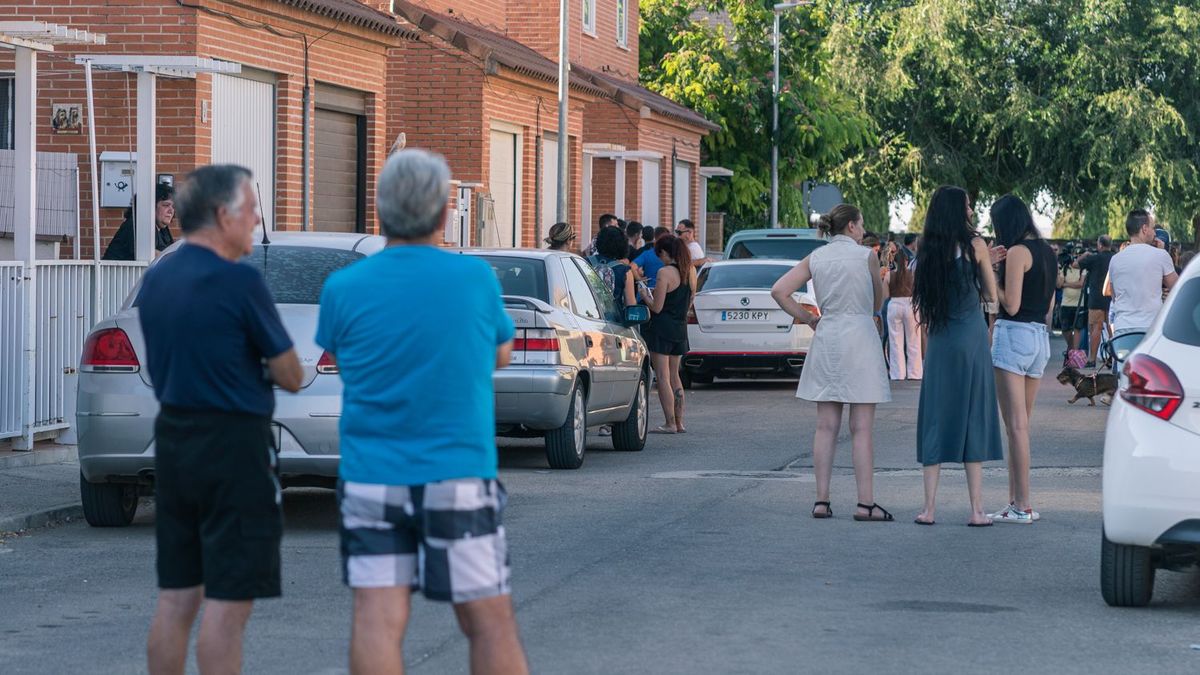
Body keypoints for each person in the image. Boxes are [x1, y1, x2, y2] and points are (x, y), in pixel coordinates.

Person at [315, 149, 528, 674]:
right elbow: (500, 351)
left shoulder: (343, 287)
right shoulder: (474, 280)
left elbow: (341, 358)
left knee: (376, 617)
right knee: (488, 621)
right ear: (441, 216)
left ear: (382, 214)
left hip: (372, 474)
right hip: (456, 470)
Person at [138, 165, 304, 675]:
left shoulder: (159, 275)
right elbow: (291, 373)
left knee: (177, 597)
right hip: (234, 445)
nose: (256, 220)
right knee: (229, 605)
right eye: (250, 209)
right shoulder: (239, 281)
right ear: (219, 214)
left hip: (174, 440)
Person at [771, 204, 893, 522]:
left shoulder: (817, 257)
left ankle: (821, 501)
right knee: (861, 427)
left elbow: (779, 291)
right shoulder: (866, 256)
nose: (864, 230)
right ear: (851, 226)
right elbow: (878, 302)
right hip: (860, 338)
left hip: (828, 337)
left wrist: (808, 319)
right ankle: (865, 504)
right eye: (862, 224)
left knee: (825, 426)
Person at [912, 186, 1004, 527]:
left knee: (936, 414)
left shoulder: (928, 248)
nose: (970, 209)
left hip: (940, 338)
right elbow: (991, 296)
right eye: (967, 205)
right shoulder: (976, 245)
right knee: (973, 415)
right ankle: (977, 510)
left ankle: (929, 509)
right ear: (957, 209)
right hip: (971, 336)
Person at [988, 195, 1057, 525]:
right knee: (1021, 426)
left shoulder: (1017, 252)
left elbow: (1009, 303)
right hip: (1038, 337)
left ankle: (1022, 505)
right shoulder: (1047, 252)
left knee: (1014, 427)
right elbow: (1047, 306)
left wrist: (990, 274)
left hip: (1013, 334)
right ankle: (1017, 502)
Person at [638, 235, 695, 433]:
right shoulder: (690, 271)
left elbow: (657, 307)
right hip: (680, 328)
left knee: (662, 376)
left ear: (664, 252)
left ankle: (669, 423)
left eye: (659, 255)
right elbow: (689, 300)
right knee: (675, 376)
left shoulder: (664, 272)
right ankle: (680, 423)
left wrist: (645, 295)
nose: (659, 259)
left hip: (661, 329)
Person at [1103, 210, 1179, 335]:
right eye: (1153, 228)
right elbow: (1178, 288)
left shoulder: (1115, 259)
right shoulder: (1160, 255)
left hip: (1122, 330)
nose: (1155, 233)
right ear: (1144, 229)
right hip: (1149, 330)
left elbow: (1115, 297)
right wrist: (1162, 252)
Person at [104, 183, 176, 260]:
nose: (171, 211)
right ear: (150, 206)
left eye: (173, 207)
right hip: (116, 271)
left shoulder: (163, 229)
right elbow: (148, 253)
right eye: (165, 205)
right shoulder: (137, 224)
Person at [1072, 235, 1115, 367]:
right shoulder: (1115, 258)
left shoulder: (1093, 258)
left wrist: (1084, 254)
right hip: (1112, 298)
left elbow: (1074, 265)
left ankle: (1092, 360)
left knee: (1095, 328)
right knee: (1111, 329)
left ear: (1100, 245)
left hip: (1096, 298)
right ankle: (1114, 359)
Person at [884, 236, 922, 381]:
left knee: (895, 342)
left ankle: (897, 374)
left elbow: (885, 295)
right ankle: (915, 373)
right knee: (914, 341)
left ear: (894, 261)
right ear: (906, 260)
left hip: (894, 305)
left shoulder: (889, 274)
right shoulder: (913, 273)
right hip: (910, 304)